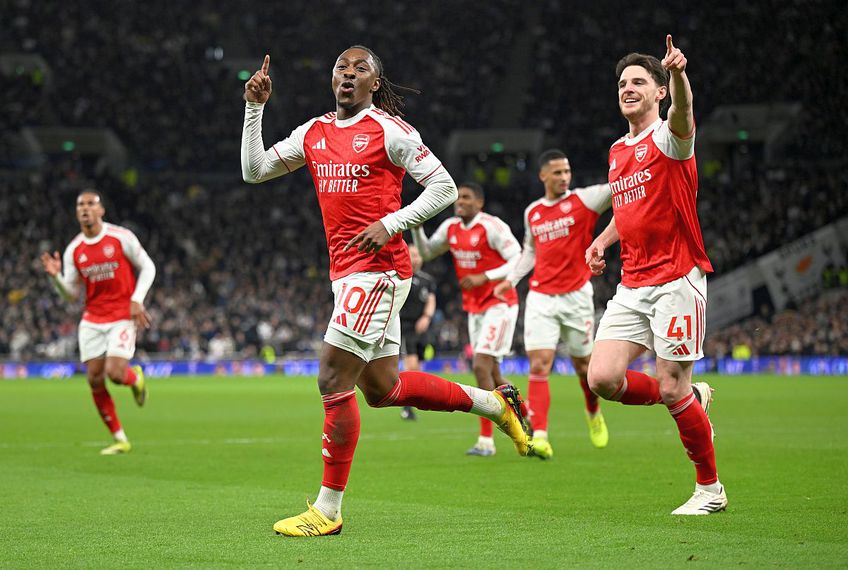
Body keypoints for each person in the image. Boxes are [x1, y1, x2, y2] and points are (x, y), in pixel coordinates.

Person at [241, 46, 532, 537]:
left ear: (375, 83)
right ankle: (494, 405)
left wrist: (391, 223)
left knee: (333, 378)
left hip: (378, 271)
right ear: (331, 79)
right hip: (347, 274)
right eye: (341, 68)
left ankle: (327, 511)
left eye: (360, 70)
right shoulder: (312, 132)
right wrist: (255, 109)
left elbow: (443, 187)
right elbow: (254, 170)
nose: (348, 75)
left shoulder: (390, 131)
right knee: (382, 390)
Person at [584, 36, 726, 514]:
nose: (628, 88)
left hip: (677, 279)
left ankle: (710, 489)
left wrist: (681, 75)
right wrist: (603, 241)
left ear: (659, 91)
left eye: (639, 82)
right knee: (601, 378)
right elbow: (627, 209)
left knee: (669, 385)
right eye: (623, 82)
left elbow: (684, 115)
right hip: (633, 283)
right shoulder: (617, 150)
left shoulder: (669, 136)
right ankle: (694, 396)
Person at [494, 150, 612, 458]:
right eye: (557, 172)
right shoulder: (533, 212)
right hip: (541, 297)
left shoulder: (586, 200)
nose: (564, 177)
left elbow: (619, 187)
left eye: (567, 171)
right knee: (539, 364)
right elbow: (530, 251)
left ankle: (592, 411)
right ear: (543, 176)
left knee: (584, 367)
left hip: (576, 296)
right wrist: (512, 279)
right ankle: (542, 435)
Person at [40, 190, 155, 455]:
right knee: (94, 379)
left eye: (91, 204)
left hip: (122, 316)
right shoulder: (74, 250)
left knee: (114, 374)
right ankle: (120, 439)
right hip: (92, 319)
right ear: (76, 212)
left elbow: (148, 266)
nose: (85, 208)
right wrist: (56, 278)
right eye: (80, 204)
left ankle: (134, 378)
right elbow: (70, 295)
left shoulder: (120, 237)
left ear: (101, 210)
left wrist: (137, 299)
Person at [412, 182, 522, 457]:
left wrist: (486, 277)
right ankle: (525, 412)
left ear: (479, 203)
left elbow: (518, 257)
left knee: (480, 364)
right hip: (474, 307)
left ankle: (486, 441)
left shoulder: (491, 226)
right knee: (493, 372)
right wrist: (415, 225)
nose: (459, 201)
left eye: (466, 197)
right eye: (458, 197)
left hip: (500, 302)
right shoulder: (450, 228)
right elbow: (426, 253)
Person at [398, 244, 437, 421]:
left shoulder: (427, 280)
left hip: (421, 327)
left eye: (417, 255)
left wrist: (426, 317)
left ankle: (412, 402)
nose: (416, 258)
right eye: (412, 255)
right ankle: (406, 407)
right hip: (405, 327)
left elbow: (431, 300)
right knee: (411, 365)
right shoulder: (400, 277)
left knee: (419, 367)